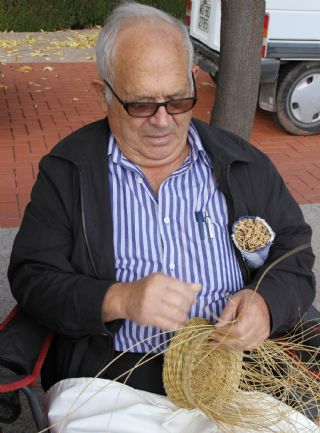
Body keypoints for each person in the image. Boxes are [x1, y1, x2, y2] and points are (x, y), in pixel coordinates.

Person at [8, 2, 315, 395]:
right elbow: (32, 277)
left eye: (178, 100)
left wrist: (267, 304)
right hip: (116, 377)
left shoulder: (244, 164)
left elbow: (295, 254)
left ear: (192, 82)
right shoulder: (70, 171)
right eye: (140, 104)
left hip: (238, 371)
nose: (162, 121)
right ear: (104, 95)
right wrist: (118, 299)